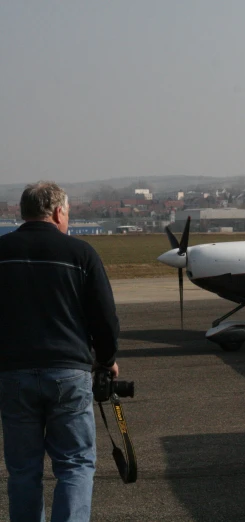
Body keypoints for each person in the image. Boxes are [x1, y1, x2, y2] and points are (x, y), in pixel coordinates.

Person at [0, 182, 119, 522]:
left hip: (13, 374)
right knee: (75, 464)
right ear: (57, 212)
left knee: (23, 470)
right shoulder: (81, 253)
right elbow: (105, 317)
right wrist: (106, 360)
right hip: (68, 372)